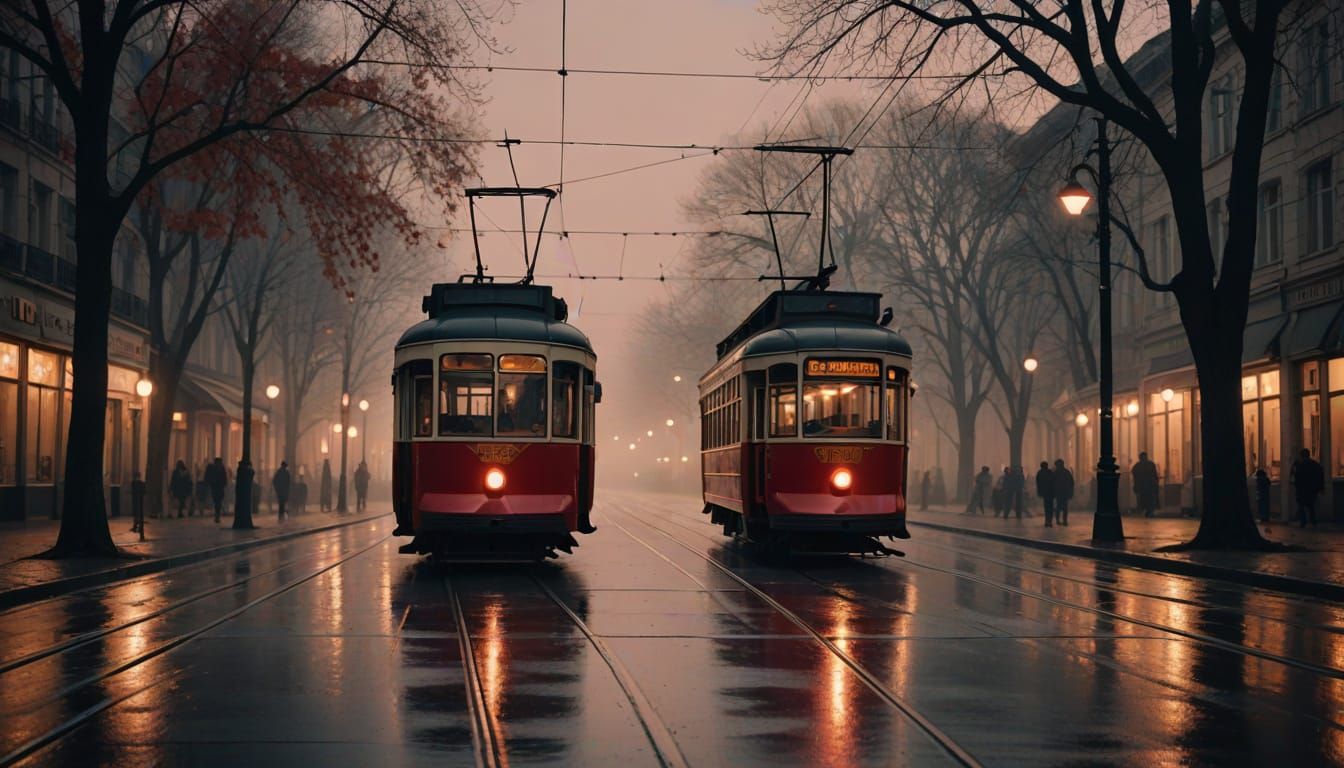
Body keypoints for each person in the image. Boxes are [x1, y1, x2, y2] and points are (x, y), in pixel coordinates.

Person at [1291, 449, 1325, 528]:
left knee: (1301, 505)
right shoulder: (1315, 464)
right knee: (1311, 505)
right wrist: (1320, 487)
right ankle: (1313, 521)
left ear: (1301, 456)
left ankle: (1303, 521)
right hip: (1311, 489)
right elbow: (1320, 474)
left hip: (1302, 488)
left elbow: (1295, 475)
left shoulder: (1299, 464)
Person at [1132, 451, 1160, 518]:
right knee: (1148, 500)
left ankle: (1148, 511)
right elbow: (1154, 475)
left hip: (1146, 486)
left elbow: (1135, 476)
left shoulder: (1138, 466)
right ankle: (1149, 511)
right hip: (1147, 486)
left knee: (1146, 499)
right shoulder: (1150, 464)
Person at [204, 457, 227, 523]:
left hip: (218, 487)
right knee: (217, 501)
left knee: (217, 501)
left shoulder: (220, 468)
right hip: (216, 487)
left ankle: (217, 515)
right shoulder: (213, 467)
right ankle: (217, 515)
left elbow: (224, 477)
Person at [1053, 459, 1074, 525]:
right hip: (1063, 492)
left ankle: (1059, 520)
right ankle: (1063, 521)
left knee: (1059, 507)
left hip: (1060, 492)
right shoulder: (1066, 472)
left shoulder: (1056, 472)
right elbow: (1072, 482)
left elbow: (1052, 483)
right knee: (1063, 507)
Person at [1036, 461, 1056, 526]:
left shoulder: (1039, 473)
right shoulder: (1050, 472)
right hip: (1051, 492)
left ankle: (1047, 521)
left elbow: (1038, 484)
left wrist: (1039, 492)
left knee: (1046, 507)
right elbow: (1053, 482)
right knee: (1050, 507)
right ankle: (1049, 521)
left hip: (1045, 493)